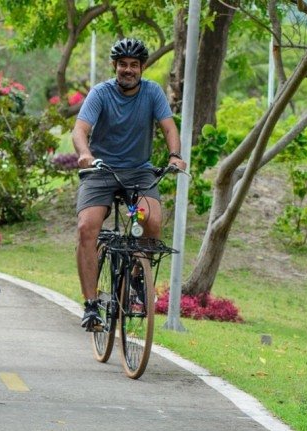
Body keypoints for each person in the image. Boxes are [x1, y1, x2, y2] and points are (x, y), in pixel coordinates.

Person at [71, 37, 187, 331]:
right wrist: (85, 153)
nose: (128, 70)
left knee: (154, 222)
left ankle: (137, 274)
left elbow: (169, 127)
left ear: (142, 68)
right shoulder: (101, 93)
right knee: (87, 227)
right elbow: (80, 130)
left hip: (139, 171)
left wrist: (175, 156)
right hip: (101, 169)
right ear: (115, 66)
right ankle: (91, 305)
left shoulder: (152, 93)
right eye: (123, 64)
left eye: (134, 65)